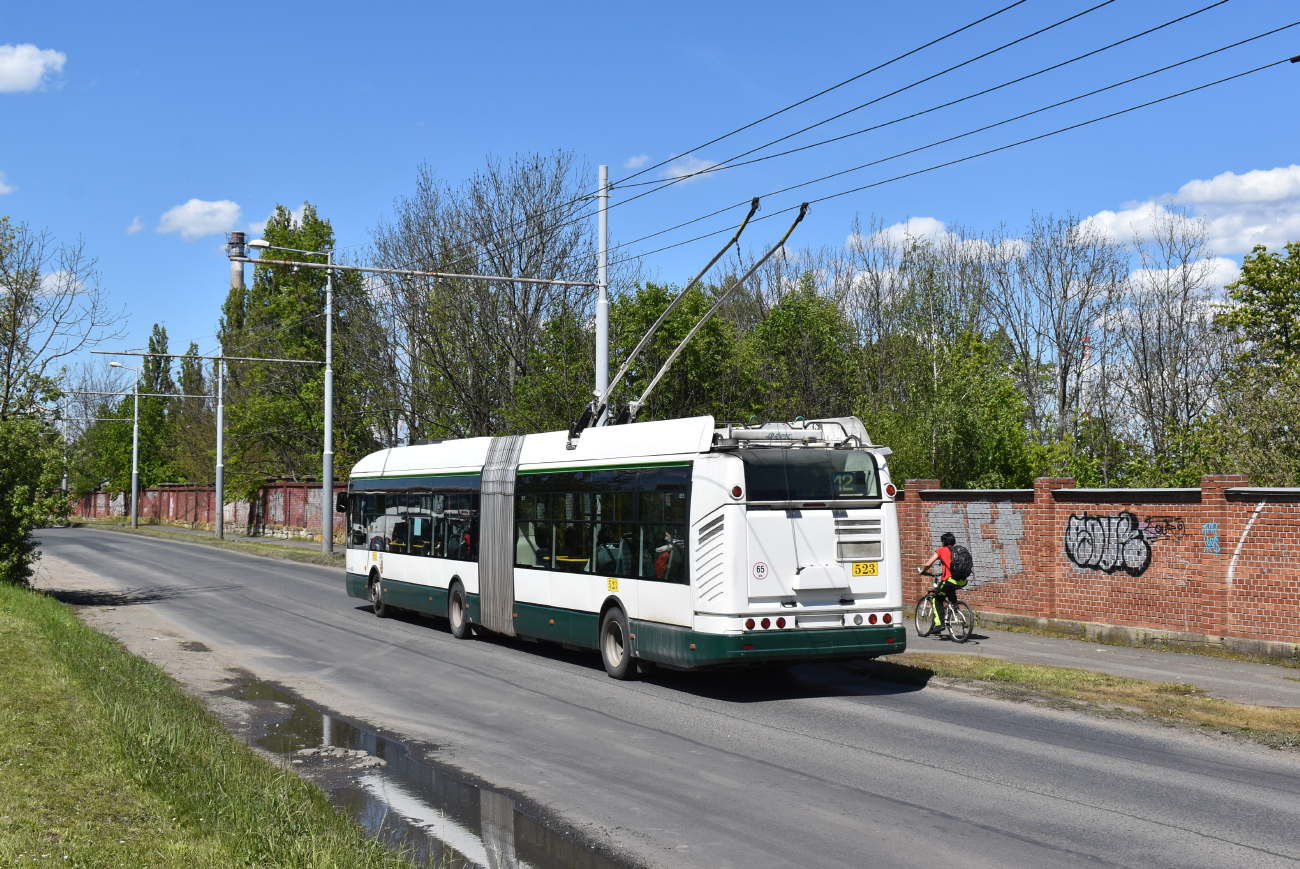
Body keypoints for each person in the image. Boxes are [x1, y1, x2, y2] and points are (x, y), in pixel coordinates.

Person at [917, 532, 967, 633]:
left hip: (949, 580)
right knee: (951, 597)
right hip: (962, 580)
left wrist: (923, 571)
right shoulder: (958, 551)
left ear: (943, 542)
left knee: (936, 599)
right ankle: (958, 615)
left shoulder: (941, 550)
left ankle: (939, 624)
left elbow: (929, 563)